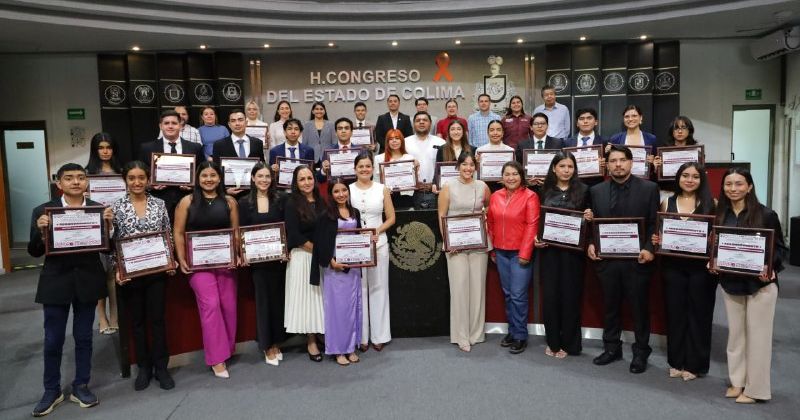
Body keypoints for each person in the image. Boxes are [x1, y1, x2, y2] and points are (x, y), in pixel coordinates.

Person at [28, 163, 113, 416]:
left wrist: (108, 228)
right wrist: (42, 233)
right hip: (56, 280)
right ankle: (51, 390)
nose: (75, 182)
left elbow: (107, 249)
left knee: (84, 337)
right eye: (69, 178)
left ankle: (81, 385)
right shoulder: (43, 211)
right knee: (53, 339)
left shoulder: (98, 209)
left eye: (80, 177)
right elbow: (33, 252)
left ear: (86, 181)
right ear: (59, 184)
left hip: (87, 279)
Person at [712, 168, 786, 403]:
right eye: (728, 184)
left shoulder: (766, 214)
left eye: (739, 184)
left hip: (760, 286)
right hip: (731, 283)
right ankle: (738, 382)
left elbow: (781, 248)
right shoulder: (720, 215)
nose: (733, 189)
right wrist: (712, 261)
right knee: (736, 336)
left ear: (750, 187)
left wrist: (769, 266)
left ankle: (756, 390)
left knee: (759, 338)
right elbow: (714, 245)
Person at [587, 144, 660, 374]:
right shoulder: (596, 191)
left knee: (639, 308)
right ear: (607, 165)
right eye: (613, 161)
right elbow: (593, 225)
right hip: (607, 261)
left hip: (637, 260)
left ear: (631, 163)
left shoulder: (649, 189)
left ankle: (640, 352)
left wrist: (650, 248)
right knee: (610, 306)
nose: (618, 165)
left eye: (622, 160)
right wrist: (590, 243)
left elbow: (654, 222)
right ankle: (611, 348)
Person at [110, 161, 175, 391]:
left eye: (141, 178)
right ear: (125, 180)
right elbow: (111, 243)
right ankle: (144, 368)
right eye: (132, 178)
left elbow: (167, 233)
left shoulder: (160, 203)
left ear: (148, 180)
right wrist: (117, 268)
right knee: (137, 322)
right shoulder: (115, 207)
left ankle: (161, 367)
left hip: (157, 271)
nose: (137, 182)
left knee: (157, 320)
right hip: (130, 275)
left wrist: (170, 260)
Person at [650, 162, 717, 381]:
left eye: (695, 176)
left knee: (699, 315)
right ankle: (676, 361)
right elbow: (659, 231)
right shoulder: (667, 201)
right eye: (685, 175)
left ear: (701, 180)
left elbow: (719, 237)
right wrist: (657, 239)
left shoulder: (711, 204)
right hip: (673, 267)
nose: (690, 180)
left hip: (701, 270)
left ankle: (695, 364)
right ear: (678, 178)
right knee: (675, 313)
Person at [173, 161, 239, 379]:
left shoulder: (229, 201)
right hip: (198, 263)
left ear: (219, 178)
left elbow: (235, 232)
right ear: (197, 179)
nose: (209, 179)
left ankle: (227, 348)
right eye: (204, 176)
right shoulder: (187, 201)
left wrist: (238, 254)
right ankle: (216, 358)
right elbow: (178, 232)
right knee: (211, 305)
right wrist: (181, 257)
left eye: (213, 175)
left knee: (228, 306)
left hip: (225, 261)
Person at [534, 152, 592, 358]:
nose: (566, 170)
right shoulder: (543, 190)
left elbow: (590, 222)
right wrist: (536, 237)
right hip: (549, 252)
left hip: (573, 254)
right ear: (554, 169)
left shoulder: (585, 191)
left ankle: (570, 344)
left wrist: (589, 216)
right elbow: (537, 219)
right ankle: (553, 341)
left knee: (570, 297)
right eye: (562, 166)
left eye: (570, 166)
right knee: (550, 297)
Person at [437, 152, 491, 352]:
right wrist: (448, 241)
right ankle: (461, 335)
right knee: (459, 288)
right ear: (458, 166)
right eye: (464, 165)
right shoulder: (448, 187)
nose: (468, 168)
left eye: (471, 165)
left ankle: (476, 332)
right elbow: (441, 215)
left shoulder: (482, 186)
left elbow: (489, 207)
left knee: (477, 287)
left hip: (479, 243)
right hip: (456, 245)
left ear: (475, 167)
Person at [486, 161, 539, 354]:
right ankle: (512, 330)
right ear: (502, 178)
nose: (511, 178)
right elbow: (490, 223)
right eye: (507, 174)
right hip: (500, 252)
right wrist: (492, 249)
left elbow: (532, 226)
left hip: (519, 253)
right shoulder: (495, 196)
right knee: (508, 294)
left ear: (521, 176)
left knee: (518, 296)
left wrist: (525, 253)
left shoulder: (530, 196)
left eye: (515, 174)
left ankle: (520, 335)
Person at [238, 162, 287, 366]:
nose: (264, 180)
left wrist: (286, 250)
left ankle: (277, 342)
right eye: (260, 176)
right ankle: (267, 345)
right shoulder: (243, 202)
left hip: (278, 260)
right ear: (253, 179)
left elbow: (287, 227)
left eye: (267, 176)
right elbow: (240, 231)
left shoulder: (281, 199)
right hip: (257, 262)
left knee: (278, 300)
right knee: (263, 301)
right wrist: (242, 253)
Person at [313, 179, 363, 366]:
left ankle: (350, 347)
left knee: (351, 307)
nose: (341, 194)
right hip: (335, 268)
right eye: (337, 191)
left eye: (344, 190)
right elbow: (320, 241)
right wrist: (331, 261)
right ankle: (337, 349)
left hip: (353, 267)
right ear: (331, 194)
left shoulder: (354, 212)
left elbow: (360, 236)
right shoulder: (326, 215)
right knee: (337, 310)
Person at [350, 153, 396, 352]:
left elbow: (391, 218)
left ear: (373, 169)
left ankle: (379, 335)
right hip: (355, 248)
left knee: (379, 289)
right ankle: (361, 337)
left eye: (368, 166)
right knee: (359, 291)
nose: (364, 169)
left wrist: (377, 231)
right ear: (355, 169)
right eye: (360, 166)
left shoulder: (382, 189)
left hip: (379, 244)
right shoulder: (347, 189)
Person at [284, 165, 326, 362]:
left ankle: (321, 332)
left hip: (321, 257)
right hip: (303, 256)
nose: (307, 182)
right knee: (308, 299)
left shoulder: (321, 201)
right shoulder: (291, 203)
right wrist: (318, 251)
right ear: (296, 183)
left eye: (310, 178)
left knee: (320, 299)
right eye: (302, 179)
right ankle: (310, 340)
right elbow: (294, 235)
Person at [138, 110, 205, 220]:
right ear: (161, 126)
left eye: (174, 123)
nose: (170, 126)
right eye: (166, 123)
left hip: (188, 201)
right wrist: (150, 184)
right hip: (158, 201)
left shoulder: (195, 148)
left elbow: (202, 173)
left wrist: (193, 185)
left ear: (181, 125)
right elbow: (141, 175)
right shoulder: (147, 148)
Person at [85, 132, 120, 336]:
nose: (105, 151)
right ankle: (102, 317)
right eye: (101, 147)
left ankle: (115, 315)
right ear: (95, 150)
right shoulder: (86, 173)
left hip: (117, 226)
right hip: (95, 228)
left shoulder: (121, 170)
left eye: (108, 147)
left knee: (113, 275)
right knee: (98, 274)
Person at [404, 111, 445, 209]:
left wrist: (435, 184)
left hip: (436, 191)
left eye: (425, 120)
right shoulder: (405, 142)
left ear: (430, 123)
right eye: (418, 120)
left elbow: (446, 167)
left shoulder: (441, 143)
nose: (421, 122)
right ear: (413, 124)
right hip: (411, 193)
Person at [374, 129, 417, 209]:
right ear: (387, 142)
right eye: (391, 139)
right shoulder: (378, 158)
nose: (394, 141)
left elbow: (414, 181)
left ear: (401, 141)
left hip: (406, 198)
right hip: (386, 198)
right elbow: (376, 181)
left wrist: (417, 168)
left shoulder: (410, 158)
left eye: (397, 138)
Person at [564, 108, 607, 187]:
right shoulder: (567, 143)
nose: (585, 121)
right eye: (581, 119)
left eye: (589, 118)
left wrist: (605, 164)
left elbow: (609, 167)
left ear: (596, 122)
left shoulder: (604, 142)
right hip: (574, 185)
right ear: (577, 123)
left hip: (596, 185)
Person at [476, 120, 514, 192]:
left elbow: (514, 172)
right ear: (488, 133)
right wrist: (476, 164)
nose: (495, 133)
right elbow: (476, 174)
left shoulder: (510, 151)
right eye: (492, 130)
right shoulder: (480, 150)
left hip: (506, 188)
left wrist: (506, 180)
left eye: (498, 130)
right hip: (485, 188)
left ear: (503, 133)